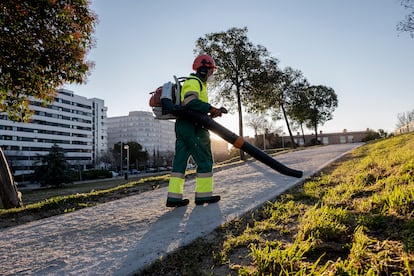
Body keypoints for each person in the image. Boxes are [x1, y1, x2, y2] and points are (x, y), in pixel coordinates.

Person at [166, 54, 226, 207]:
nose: (212, 75)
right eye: (211, 71)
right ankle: (203, 196)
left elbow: (194, 106)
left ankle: (173, 198)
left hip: (184, 125)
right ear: (204, 70)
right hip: (194, 128)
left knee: (179, 162)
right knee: (205, 160)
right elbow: (190, 101)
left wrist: (212, 112)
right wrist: (210, 108)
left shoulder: (196, 83)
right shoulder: (194, 82)